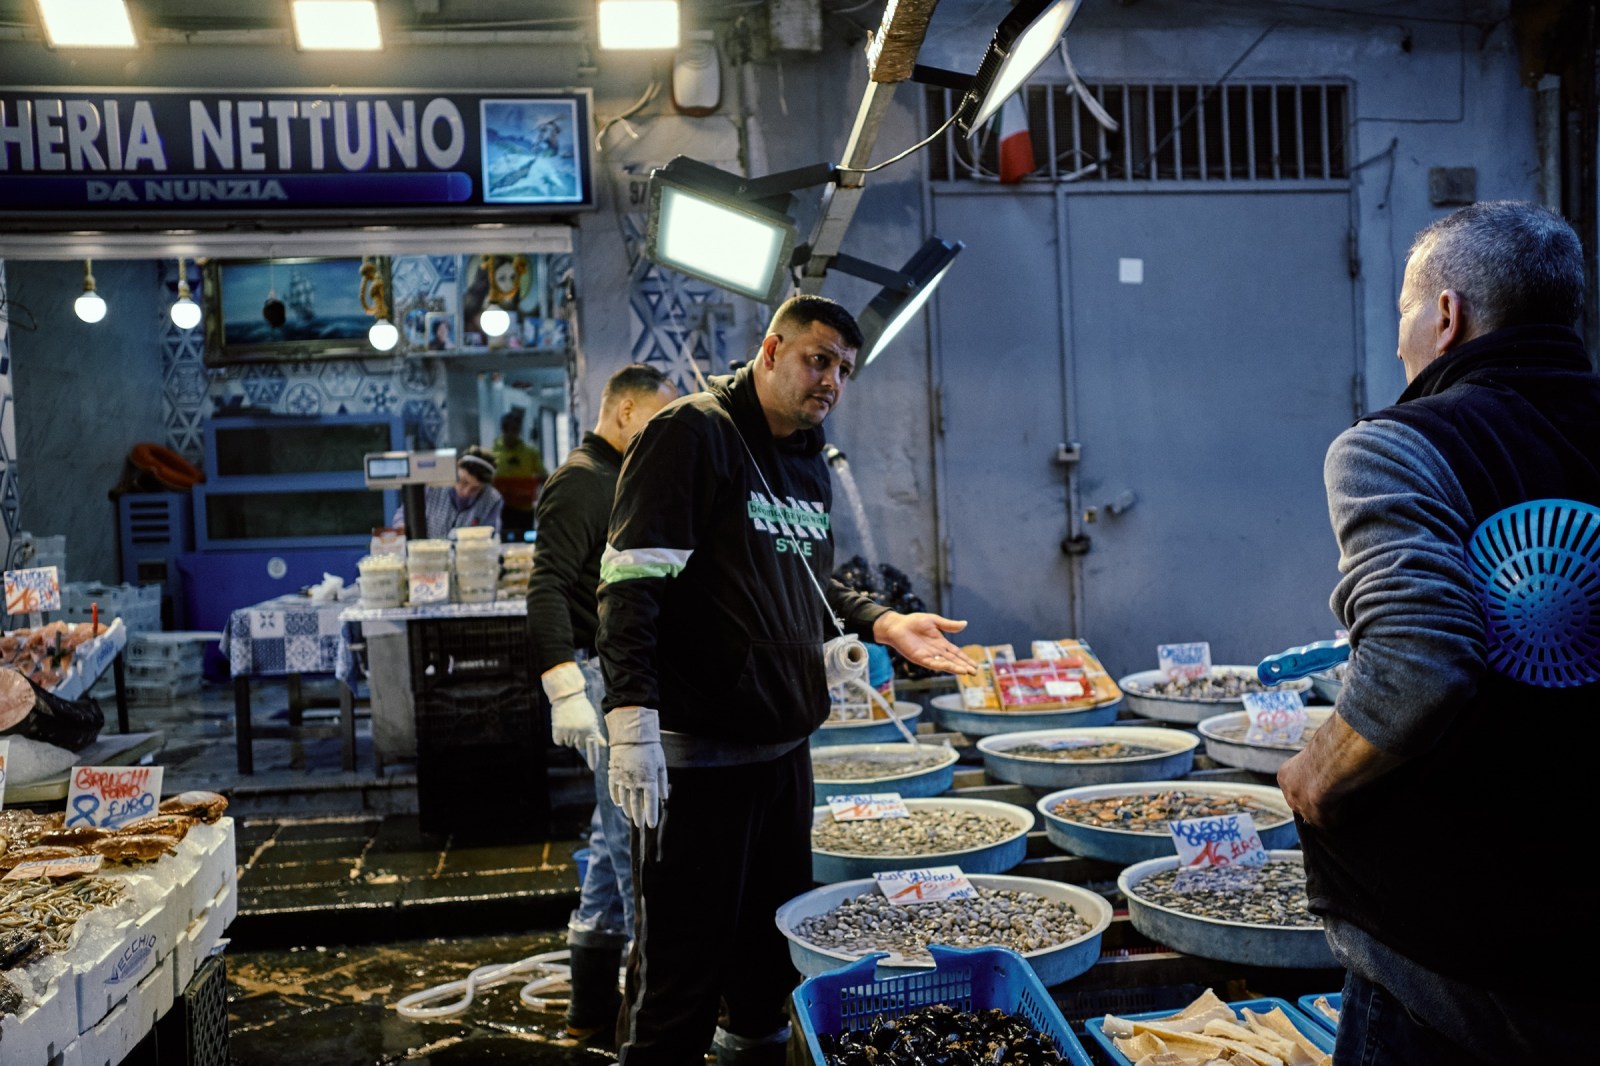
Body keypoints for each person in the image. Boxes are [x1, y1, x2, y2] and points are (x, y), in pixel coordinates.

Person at [596, 295, 978, 1066]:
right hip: (698, 767)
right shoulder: (692, 434)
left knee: (769, 967)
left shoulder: (806, 457)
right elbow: (631, 582)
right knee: (681, 983)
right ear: (771, 351)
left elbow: (809, 580)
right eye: (818, 358)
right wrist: (629, 719)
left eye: (844, 368)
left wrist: (881, 621)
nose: (832, 379)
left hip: (782, 760)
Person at [1277, 201, 1597, 1064]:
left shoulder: (1399, 445)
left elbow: (1420, 656)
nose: (1399, 345)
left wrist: (1313, 774)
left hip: (1451, 965)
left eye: (1404, 317)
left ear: (1446, 316)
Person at [526, 363, 677, 1043]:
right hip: (595, 678)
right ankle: (652, 1023)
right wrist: (565, 688)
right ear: (622, 413)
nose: (663, 436)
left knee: (609, 832)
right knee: (634, 841)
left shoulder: (619, 476)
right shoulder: (582, 480)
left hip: (617, 675)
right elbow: (547, 587)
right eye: (655, 420)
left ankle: (589, 1012)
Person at [390, 445, 504, 539]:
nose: (464, 492)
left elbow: (491, 535)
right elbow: (406, 513)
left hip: (467, 560)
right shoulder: (434, 485)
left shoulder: (492, 500)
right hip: (428, 556)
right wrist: (402, 526)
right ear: (455, 469)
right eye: (462, 481)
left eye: (474, 489)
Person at [492, 408, 547, 539]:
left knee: (525, 542)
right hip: (502, 509)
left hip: (524, 509)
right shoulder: (494, 451)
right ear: (503, 430)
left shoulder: (530, 452)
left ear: (519, 430)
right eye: (508, 429)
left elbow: (544, 476)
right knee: (504, 541)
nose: (511, 433)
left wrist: (531, 485)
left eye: (515, 430)